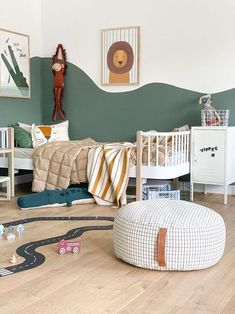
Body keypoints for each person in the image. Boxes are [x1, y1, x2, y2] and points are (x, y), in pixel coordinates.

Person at [52, 44, 67, 121]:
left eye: (58, 66)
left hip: (60, 85)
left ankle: (58, 111)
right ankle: (57, 111)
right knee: (56, 98)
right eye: (55, 67)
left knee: (58, 98)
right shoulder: (55, 72)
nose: (56, 68)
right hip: (55, 85)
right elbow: (54, 61)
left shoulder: (61, 71)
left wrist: (60, 49)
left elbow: (63, 62)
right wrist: (58, 50)